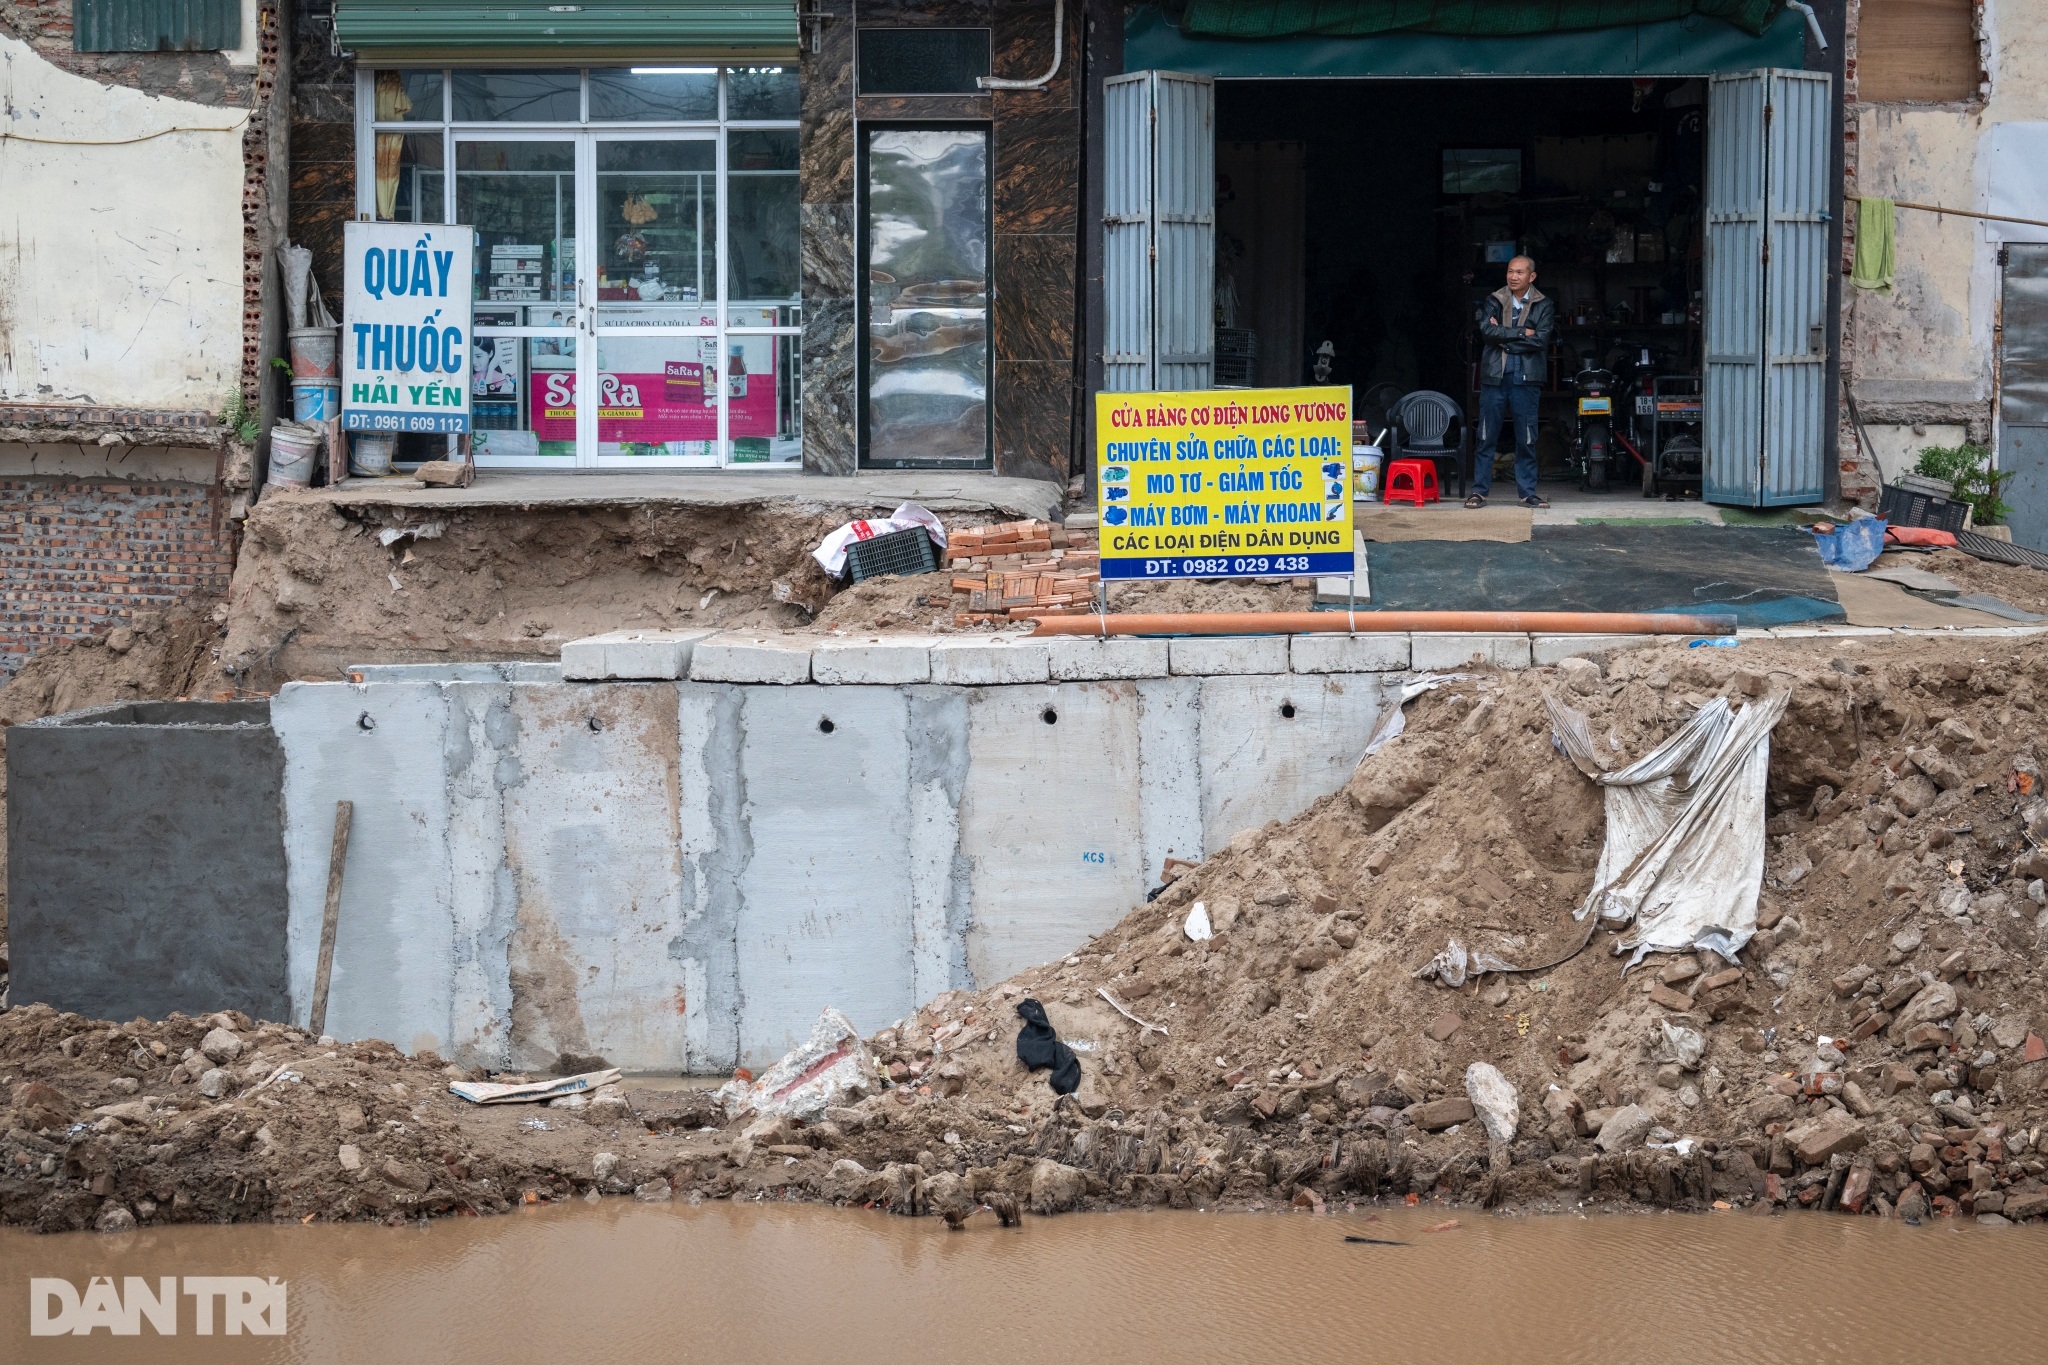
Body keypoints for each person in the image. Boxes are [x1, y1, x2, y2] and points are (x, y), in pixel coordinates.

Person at [1467, 255, 1555, 509]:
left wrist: (1504, 338)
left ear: (1532, 276)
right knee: (1486, 435)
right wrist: (1520, 332)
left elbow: (1540, 340)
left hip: (1527, 378)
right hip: (1495, 376)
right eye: (1510, 271)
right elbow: (1487, 333)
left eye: (1519, 272)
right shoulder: (1495, 299)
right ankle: (1479, 491)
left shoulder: (1544, 304)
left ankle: (1527, 493)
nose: (1513, 276)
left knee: (1526, 437)